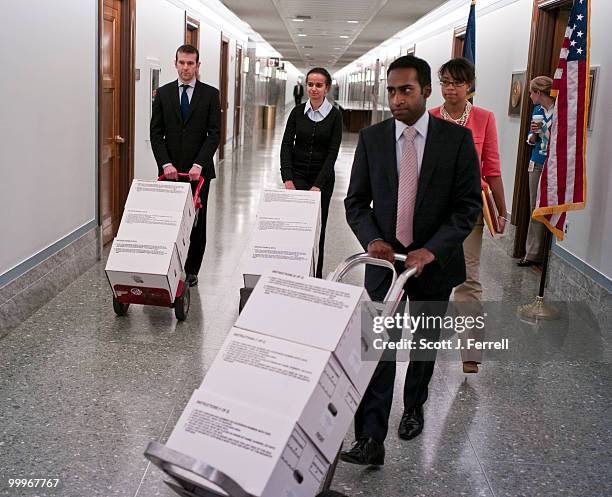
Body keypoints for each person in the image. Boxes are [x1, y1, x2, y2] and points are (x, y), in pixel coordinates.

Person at [341, 55, 481, 466]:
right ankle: (370, 436)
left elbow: (466, 206)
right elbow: (355, 203)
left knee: (423, 343)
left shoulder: (455, 142)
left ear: (425, 91)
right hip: (385, 264)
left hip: (433, 264)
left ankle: (415, 406)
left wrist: (432, 249)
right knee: (378, 345)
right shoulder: (373, 139)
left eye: (405, 90)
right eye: (390, 91)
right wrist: (373, 238)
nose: (396, 99)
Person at [430, 57, 507, 374]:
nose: (450, 89)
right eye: (445, 82)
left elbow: (492, 167)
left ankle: (470, 350)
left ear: (469, 86)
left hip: (468, 212)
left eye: (457, 83)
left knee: (468, 279)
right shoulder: (429, 118)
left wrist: (503, 211)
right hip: (431, 212)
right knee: (431, 281)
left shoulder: (484, 119)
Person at [150, 44, 221, 287]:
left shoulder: (210, 94)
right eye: (182, 62)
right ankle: (164, 263)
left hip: (198, 174)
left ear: (198, 65)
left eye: (191, 63)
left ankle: (191, 269)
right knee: (168, 220)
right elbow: (156, 133)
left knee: (197, 222)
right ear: (175, 63)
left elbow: (214, 134)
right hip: (170, 172)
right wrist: (165, 163)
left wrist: (200, 164)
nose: (186, 67)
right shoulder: (164, 93)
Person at [281, 67, 343, 278]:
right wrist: (287, 178)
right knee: (295, 226)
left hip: (322, 179)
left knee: (318, 229)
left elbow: (333, 152)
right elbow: (286, 145)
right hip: (297, 175)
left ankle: (315, 275)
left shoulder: (335, 116)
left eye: (319, 85)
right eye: (310, 84)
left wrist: (318, 185)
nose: (314, 89)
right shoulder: (297, 112)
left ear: (327, 88)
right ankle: (293, 271)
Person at [518, 76, 554, 267]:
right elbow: (531, 140)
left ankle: (548, 252)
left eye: (532, 92)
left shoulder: (558, 110)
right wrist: (533, 134)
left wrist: (547, 130)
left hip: (553, 163)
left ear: (539, 93)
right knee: (535, 208)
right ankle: (532, 252)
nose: (530, 96)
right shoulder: (537, 111)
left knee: (552, 207)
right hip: (537, 162)